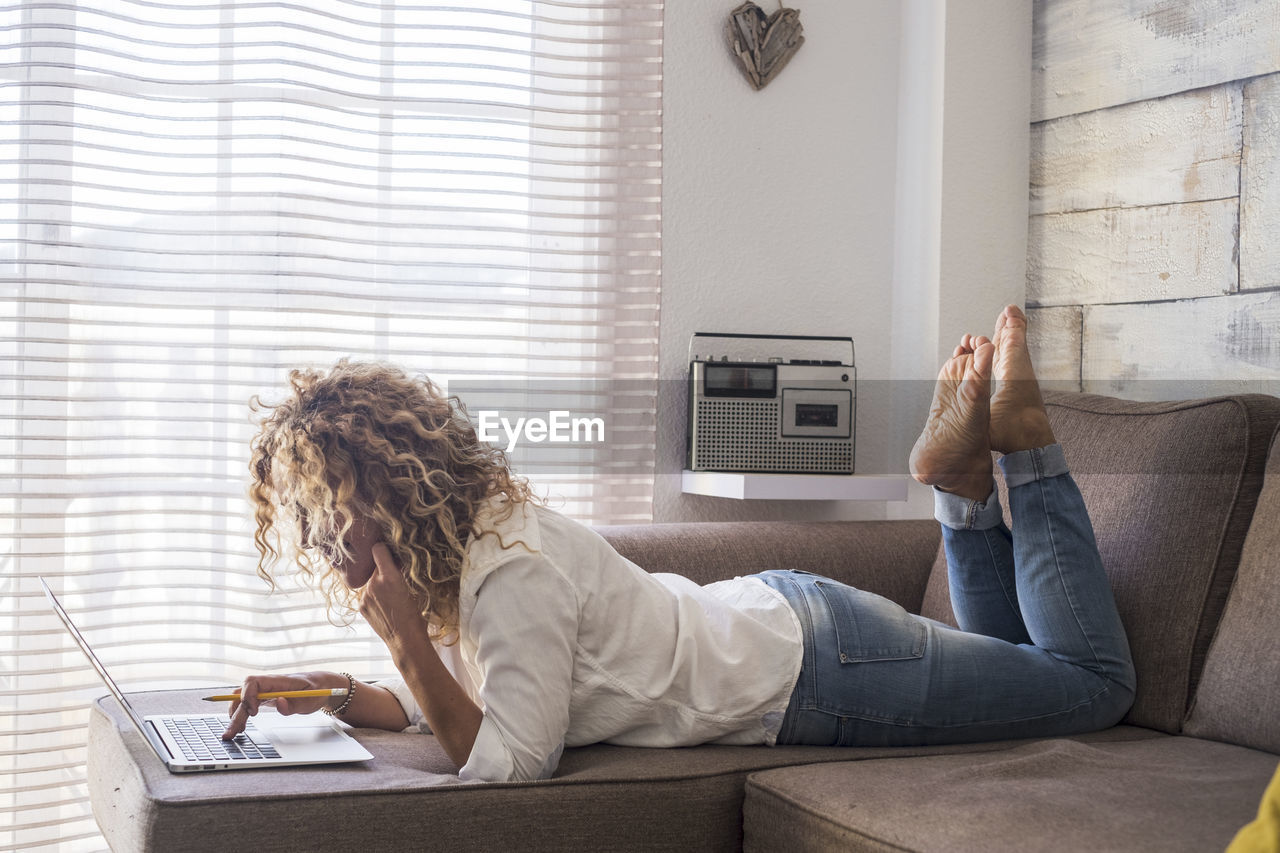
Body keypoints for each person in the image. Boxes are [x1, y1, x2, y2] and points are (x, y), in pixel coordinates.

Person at [222, 305, 1136, 782]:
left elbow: (508, 760)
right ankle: (966, 489)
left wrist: (402, 643)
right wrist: (325, 693)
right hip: (795, 627)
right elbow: (442, 705)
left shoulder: (508, 576)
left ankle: (1026, 451)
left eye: (329, 517)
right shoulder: (473, 550)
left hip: (821, 673)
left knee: (1094, 687)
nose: (323, 545)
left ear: (393, 499)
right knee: (1021, 662)